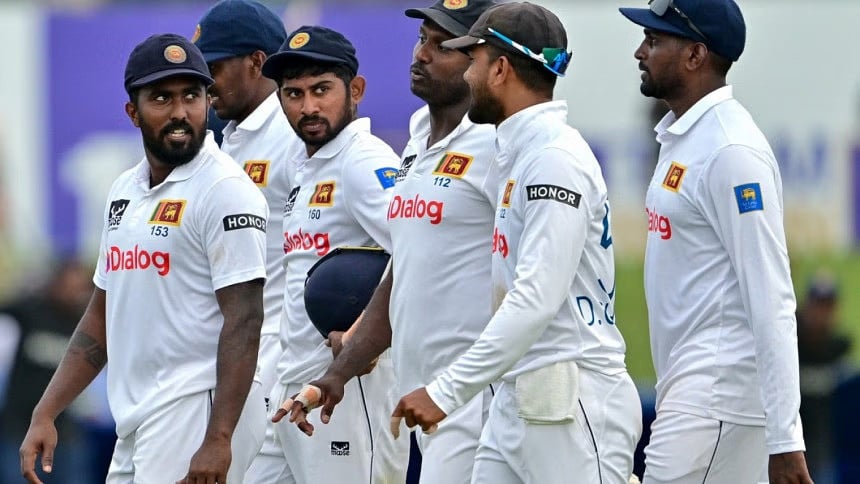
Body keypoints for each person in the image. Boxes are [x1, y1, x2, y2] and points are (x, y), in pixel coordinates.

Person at [339, 3, 641, 482]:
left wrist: (445, 390)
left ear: (500, 68)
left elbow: (535, 297)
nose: (468, 76)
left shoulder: (553, 159)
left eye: (473, 61)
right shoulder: (514, 150)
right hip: (513, 397)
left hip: (571, 400)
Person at [19, 33, 268, 483]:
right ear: (133, 112)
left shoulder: (224, 189)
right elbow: (102, 313)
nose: (179, 112)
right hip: (138, 417)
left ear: (208, 101)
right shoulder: (124, 192)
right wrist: (47, 410)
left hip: (197, 409)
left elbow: (246, 319)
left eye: (191, 95)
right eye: (161, 98)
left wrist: (219, 438)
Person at [281, 1, 500, 483]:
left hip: (471, 383)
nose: (421, 54)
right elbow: (409, 261)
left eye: (441, 45)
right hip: (403, 378)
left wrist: (360, 337)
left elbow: (531, 277)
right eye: (421, 39)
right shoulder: (418, 142)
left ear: (482, 61)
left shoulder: (494, 145)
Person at [618, 1, 813, 482]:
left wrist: (787, 439)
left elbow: (771, 295)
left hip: (715, 398)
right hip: (697, 394)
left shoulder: (731, 152)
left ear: (695, 55)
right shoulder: (685, 138)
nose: (640, 51)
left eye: (656, 40)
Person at [260, 25, 409, 483]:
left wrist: (363, 334)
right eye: (293, 93)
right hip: (295, 384)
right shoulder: (306, 166)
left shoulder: (362, 160)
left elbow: (417, 251)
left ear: (356, 90)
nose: (308, 107)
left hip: (349, 387)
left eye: (321, 90)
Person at [192, 1, 304, 480]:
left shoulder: (296, 135)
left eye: (213, 68)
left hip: (287, 367)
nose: (205, 85)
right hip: (241, 368)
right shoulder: (226, 139)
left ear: (258, 63)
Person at [0, 258, 95, 484]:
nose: (73, 291)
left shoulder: (86, 325)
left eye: (79, 286)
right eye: (69, 283)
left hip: (66, 430)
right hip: (19, 428)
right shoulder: (31, 311)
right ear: (55, 283)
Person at [796, 272, 853, 483]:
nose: (821, 313)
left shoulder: (840, 348)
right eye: (817, 305)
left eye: (827, 306)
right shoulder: (792, 347)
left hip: (825, 446)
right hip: (791, 443)